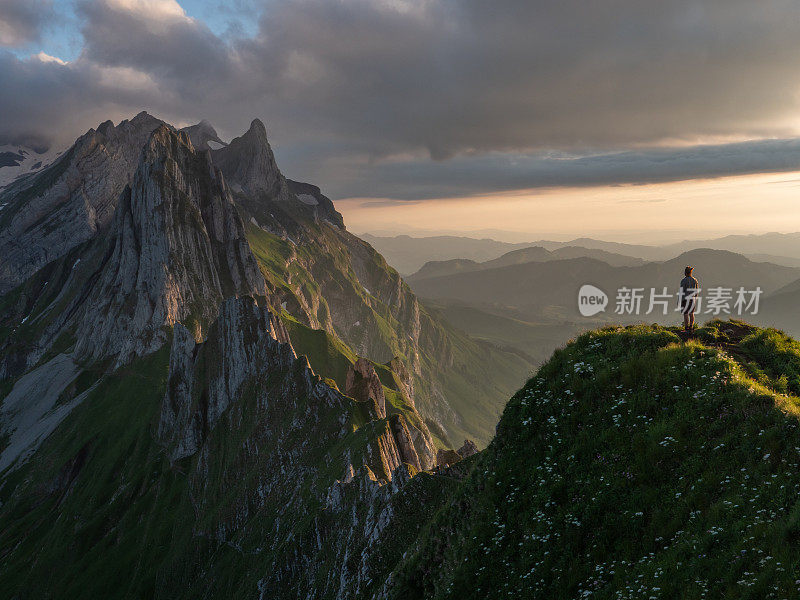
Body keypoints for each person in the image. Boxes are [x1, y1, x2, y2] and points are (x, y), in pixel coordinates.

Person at [680, 266, 699, 331]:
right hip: (692, 299)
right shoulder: (695, 280)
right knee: (691, 313)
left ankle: (686, 327)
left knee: (685, 313)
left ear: (685, 273)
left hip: (685, 299)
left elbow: (682, 291)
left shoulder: (683, 281)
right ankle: (691, 326)